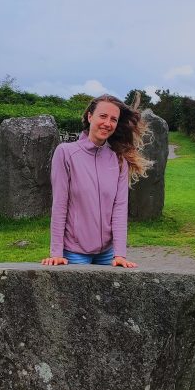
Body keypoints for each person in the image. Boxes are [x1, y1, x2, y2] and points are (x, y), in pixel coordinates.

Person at [41, 93, 152, 267]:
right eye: (103, 116)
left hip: (108, 255)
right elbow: (60, 204)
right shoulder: (66, 153)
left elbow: (120, 208)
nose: (108, 123)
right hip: (75, 253)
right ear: (89, 116)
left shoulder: (119, 159)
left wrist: (120, 254)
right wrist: (56, 252)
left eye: (113, 119)